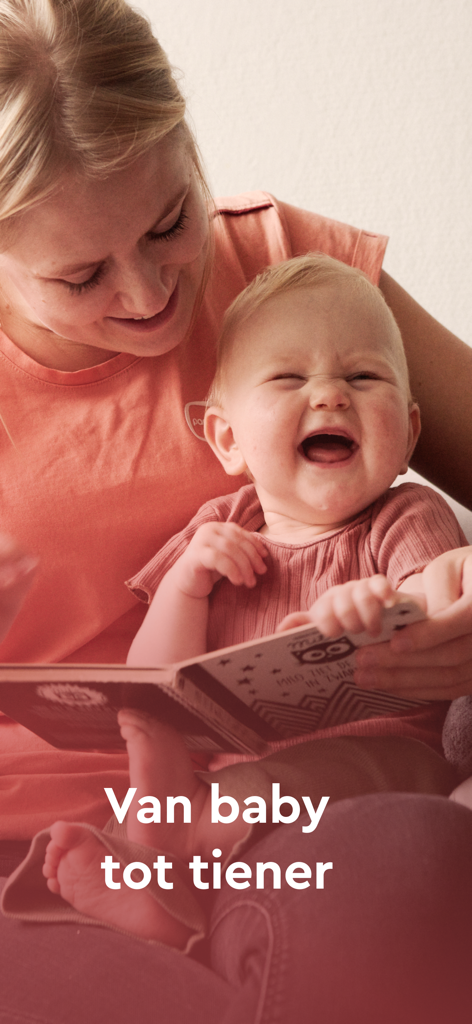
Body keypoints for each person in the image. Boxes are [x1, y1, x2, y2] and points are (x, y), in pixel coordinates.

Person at [0, 0, 471, 1020]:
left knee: (397, 876)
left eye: (171, 221)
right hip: (55, 821)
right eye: (79, 275)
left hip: (309, 800)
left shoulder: (294, 272)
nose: (148, 293)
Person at [24, 251, 469, 945]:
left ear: (409, 433)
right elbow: (155, 680)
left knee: (237, 795)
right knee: (163, 779)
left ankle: (168, 867)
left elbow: (443, 600)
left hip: (386, 767)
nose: (329, 396)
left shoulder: (402, 515)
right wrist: (185, 586)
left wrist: (381, 611)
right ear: (227, 438)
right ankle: (161, 904)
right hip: (238, 783)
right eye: (290, 378)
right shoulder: (218, 531)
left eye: (362, 376)